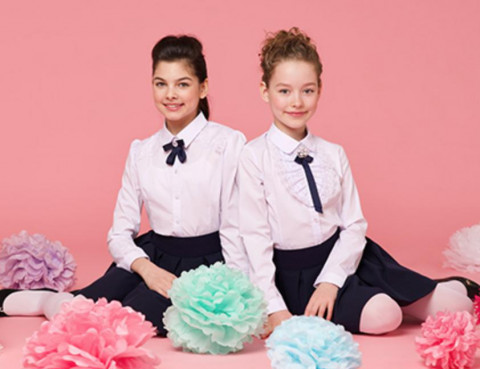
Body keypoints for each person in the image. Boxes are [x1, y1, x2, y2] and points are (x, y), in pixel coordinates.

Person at [238, 27, 478, 337]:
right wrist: (273, 307)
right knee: (385, 316)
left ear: (320, 89)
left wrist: (331, 280)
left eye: (307, 90)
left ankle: (435, 288)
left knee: (460, 306)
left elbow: (353, 225)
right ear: (265, 90)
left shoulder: (333, 153)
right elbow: (254, 238)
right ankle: (403, 296)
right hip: (294, 277)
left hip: (351, 257)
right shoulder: (254, 156)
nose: (296, 102)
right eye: (284, 91)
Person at [0, 35, 247, 336]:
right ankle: (34, 299)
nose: (170, 94)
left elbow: (236, 226)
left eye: (182, 84)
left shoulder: (228, 143)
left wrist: (242, 291)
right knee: (80, 309)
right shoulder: (141, 151)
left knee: (120, 323)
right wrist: (147, 269)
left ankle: (46, 300)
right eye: (161, 84)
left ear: (203, 87)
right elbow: (119, 233)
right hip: (152, 258)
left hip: (209, 265)